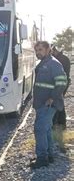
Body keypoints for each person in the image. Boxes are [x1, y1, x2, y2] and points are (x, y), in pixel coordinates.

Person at [30, 41, 67, 169]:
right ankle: (49, 155)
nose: (38, 52)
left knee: (39, 129)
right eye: (36, 50)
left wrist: (52, 97)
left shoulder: (53, 64)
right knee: (45, 129)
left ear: (47, 49)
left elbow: (62, 82)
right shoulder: (44, 63)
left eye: (40, 49)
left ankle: (42, 158)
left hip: (48, 104)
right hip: (42, 103)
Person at [52, 46, 71, 130]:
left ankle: (59, 122)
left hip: (61, 83)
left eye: (52, 51)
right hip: (63, 82)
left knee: (58, 101)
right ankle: (60, 122)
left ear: (55, 51)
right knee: (59, 101)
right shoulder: (62, 58)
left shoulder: (60, 59)